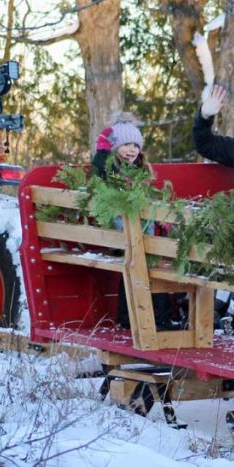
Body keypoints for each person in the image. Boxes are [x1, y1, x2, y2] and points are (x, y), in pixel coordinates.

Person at [91, 114, 179, 331]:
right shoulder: (111, 168)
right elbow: (101, 167)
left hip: (143, 231)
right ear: (114, 147)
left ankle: (158, 318)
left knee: (152, 268)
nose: (131, 150)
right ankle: (138, 318)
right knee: (141, 268)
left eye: (135, 145)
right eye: (125, 145)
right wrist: (103, 150)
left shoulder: (140, 170)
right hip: (123, 232)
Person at [91, 113, 151, 180]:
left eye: (136, 146)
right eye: (126, 144)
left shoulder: (140, 166)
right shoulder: (106, 166)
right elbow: (108, 176)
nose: (132, 149)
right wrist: (119, 179)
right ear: (114, 148)